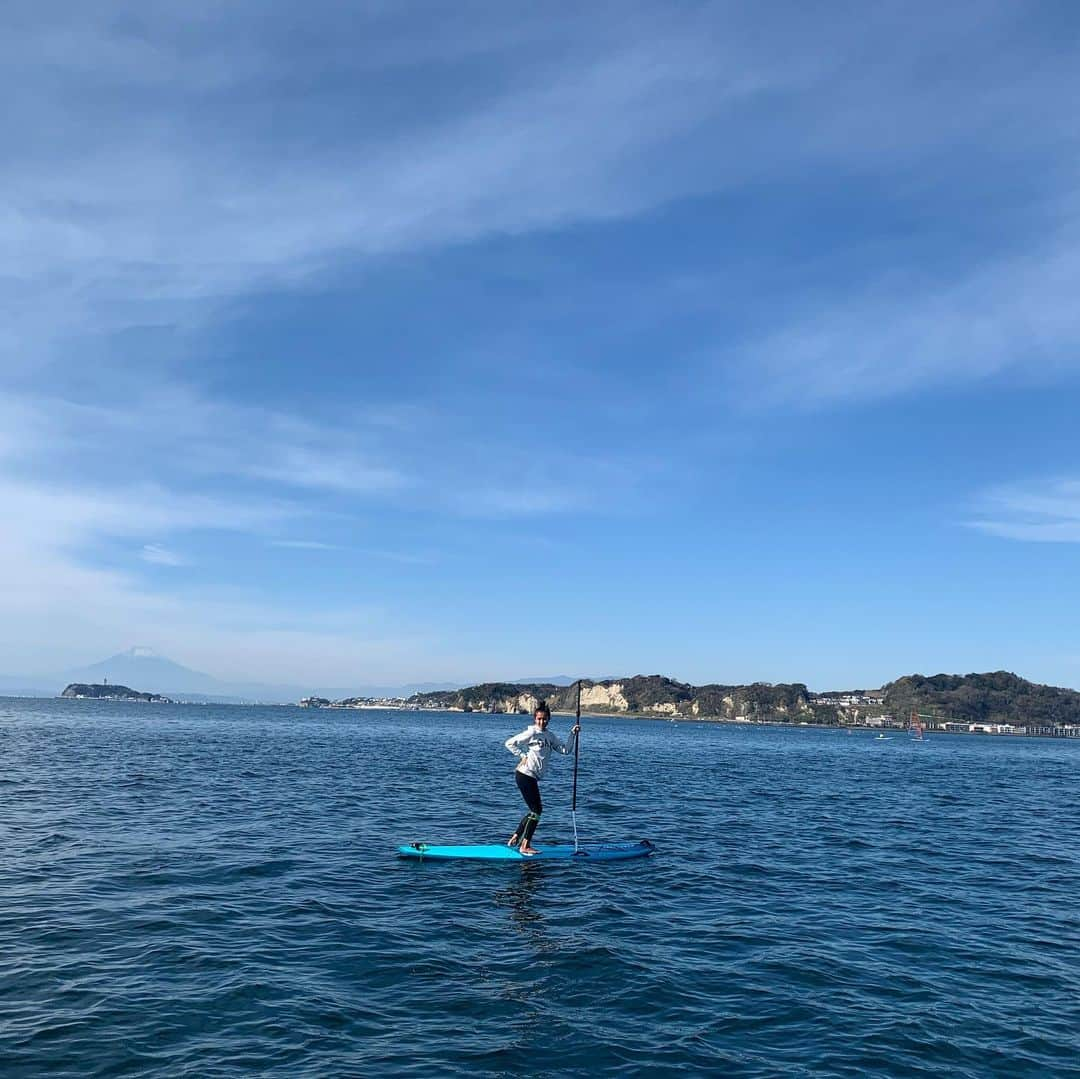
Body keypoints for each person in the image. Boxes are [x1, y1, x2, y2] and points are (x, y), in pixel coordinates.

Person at [504, 700, 580, 856]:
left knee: (534, 810)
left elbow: (565, 750)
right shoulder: (531, 733)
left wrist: (572, 734)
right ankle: (525, 846)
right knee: (537, 810)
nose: (541, 721)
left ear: (548, 719)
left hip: (531, 777)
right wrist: (523, 755)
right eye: (539, 718)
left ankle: (516, 837)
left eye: (544, 719)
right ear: (534, 719)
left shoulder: (550, 736)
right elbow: (509, 743)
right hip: (525, 774)